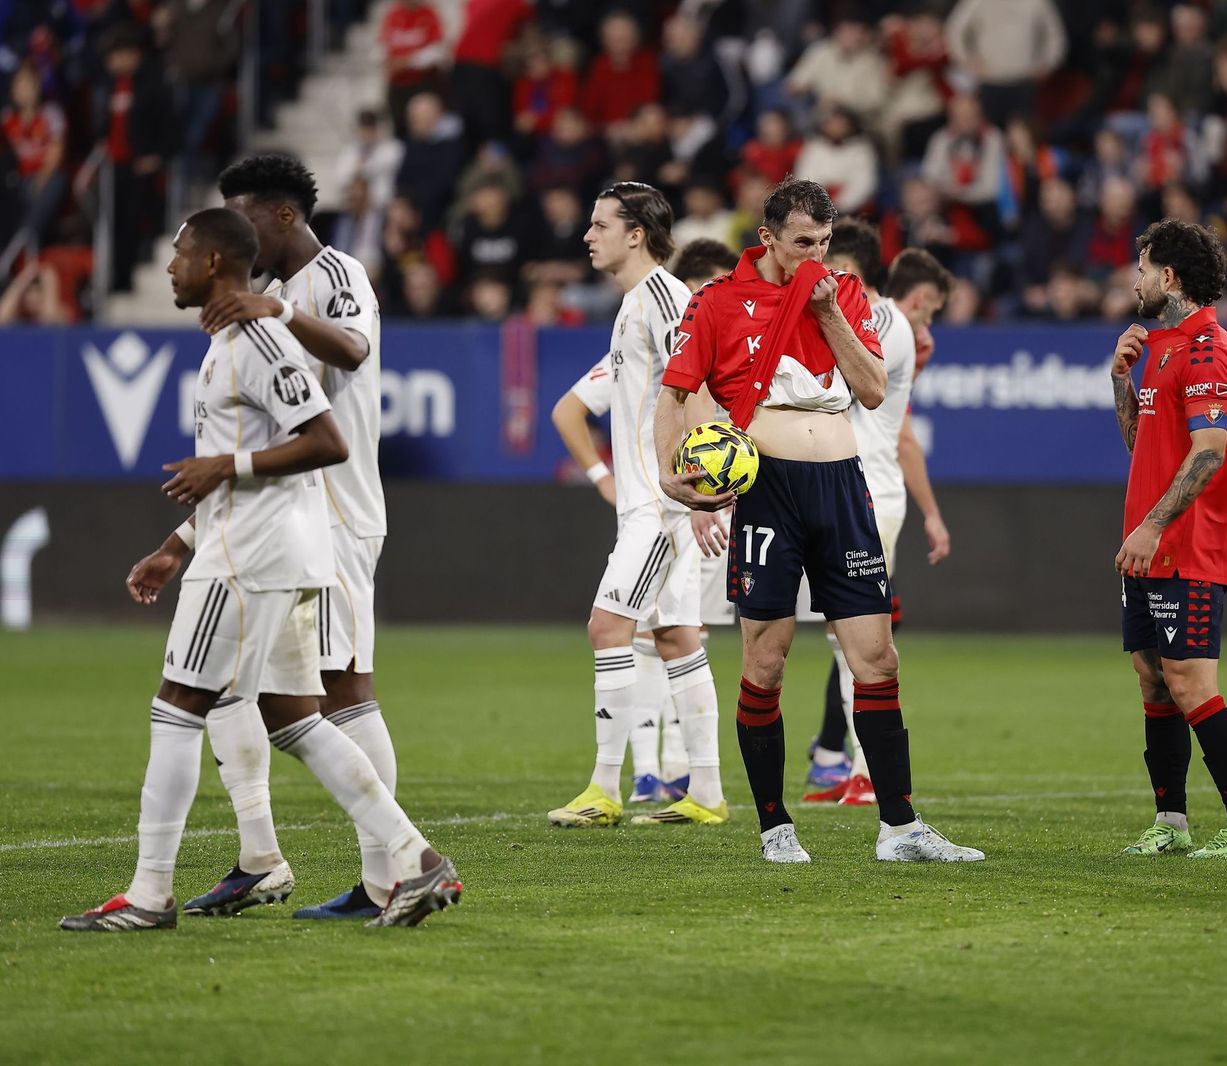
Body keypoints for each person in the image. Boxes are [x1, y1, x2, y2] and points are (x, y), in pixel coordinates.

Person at [60, 208, 459, 932]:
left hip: (249, 554)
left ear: (215, 263)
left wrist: (226, 467)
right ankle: (413, 855)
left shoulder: (254, 336)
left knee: (178, 704)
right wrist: (176, 542)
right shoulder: (239, 338)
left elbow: (326, 441)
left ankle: (149, 894)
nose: (172, 266)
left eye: (180, 253)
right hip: (270, 544)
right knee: (289, 714)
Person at [654, 178, 984, 864]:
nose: (817, 254)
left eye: (826, 242)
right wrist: (667, 475)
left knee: (876, 657)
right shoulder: (718, 302)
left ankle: (901, 828)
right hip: (768, 490)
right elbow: (676, 390)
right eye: (803, 242)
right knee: (766, 663)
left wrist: (828, 310)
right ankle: (775, 827)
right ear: (767, 238)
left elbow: (869, 390)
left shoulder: (845, 294)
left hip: (842, 487)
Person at [150, 156, 399, 921]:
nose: (239, 238)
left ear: (284, 216)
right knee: (233, 689)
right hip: (278, 519)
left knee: (342, 691)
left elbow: (354, 350)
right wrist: (182, 539)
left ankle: (388, 872)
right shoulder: (271, 298)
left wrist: (280, 314)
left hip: (336, 516)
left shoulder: (337, 273)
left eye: (248, 217)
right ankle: (260, 856)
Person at [547, 183, 728, 829]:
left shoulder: (663, 299)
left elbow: (699, 391)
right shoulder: (638, 305)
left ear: (635, 233)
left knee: (607, 627)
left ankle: (603, 789)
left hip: (662, 503)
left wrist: (702, 495)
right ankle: (705, 791)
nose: (588, 235)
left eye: (599, 225)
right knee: (677, 636)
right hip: (660, 501)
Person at [1110, 218, 1227, 860]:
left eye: (1142, 268)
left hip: (1188, 544)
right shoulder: (1165, 347)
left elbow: (1208, 455)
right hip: (1147, 544)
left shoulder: (1208, 347)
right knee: (1153, 678)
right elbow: (1142, 446)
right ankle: (1170, 822)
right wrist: (1122, 383)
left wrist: (1152, 524)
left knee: (1191, 681)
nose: (1134, 279)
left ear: (1168, 276)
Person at [801, 231, 953, 806]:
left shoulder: (885, 322)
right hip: (836, 488)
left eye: (821, 259)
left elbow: (848, 385)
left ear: (845, 267)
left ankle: (868, 770)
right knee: (841, 637)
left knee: (862, 636)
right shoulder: (869, 320)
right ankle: (855, 768)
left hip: (868, 495)